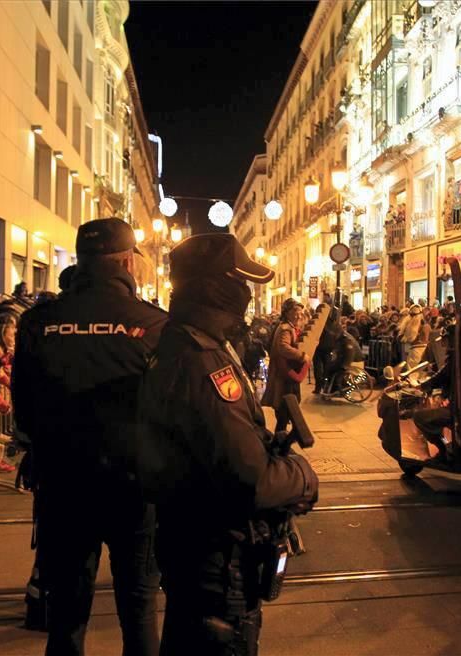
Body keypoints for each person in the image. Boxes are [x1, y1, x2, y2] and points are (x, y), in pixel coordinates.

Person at [136, 233, 319, 655]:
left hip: (194, 551)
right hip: (218, 560)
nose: (247, 294)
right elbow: (251, 479)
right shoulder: (203, 361)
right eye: (241, 284)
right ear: (218, 287)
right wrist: (303, 478)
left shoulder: (183, 343)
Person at [12, 218, 168, 656]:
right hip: (134, 486)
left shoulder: (38, 322)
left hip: (62, 485)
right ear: (126, 261)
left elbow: (23, 409)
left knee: (65, 615)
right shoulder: (153, 324)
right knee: (138, 608)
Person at [262, 298, 306, 434]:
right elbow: (283, 347)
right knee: (285, 410)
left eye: (300, 311)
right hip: (284, 377)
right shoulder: (285, 329)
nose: (298, 315)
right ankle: (279, 445)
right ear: (286, 313)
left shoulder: (289, 327)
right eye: (295, 311)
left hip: (285, 375)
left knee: (286, 411)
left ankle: (281, 442)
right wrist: (302, 356)